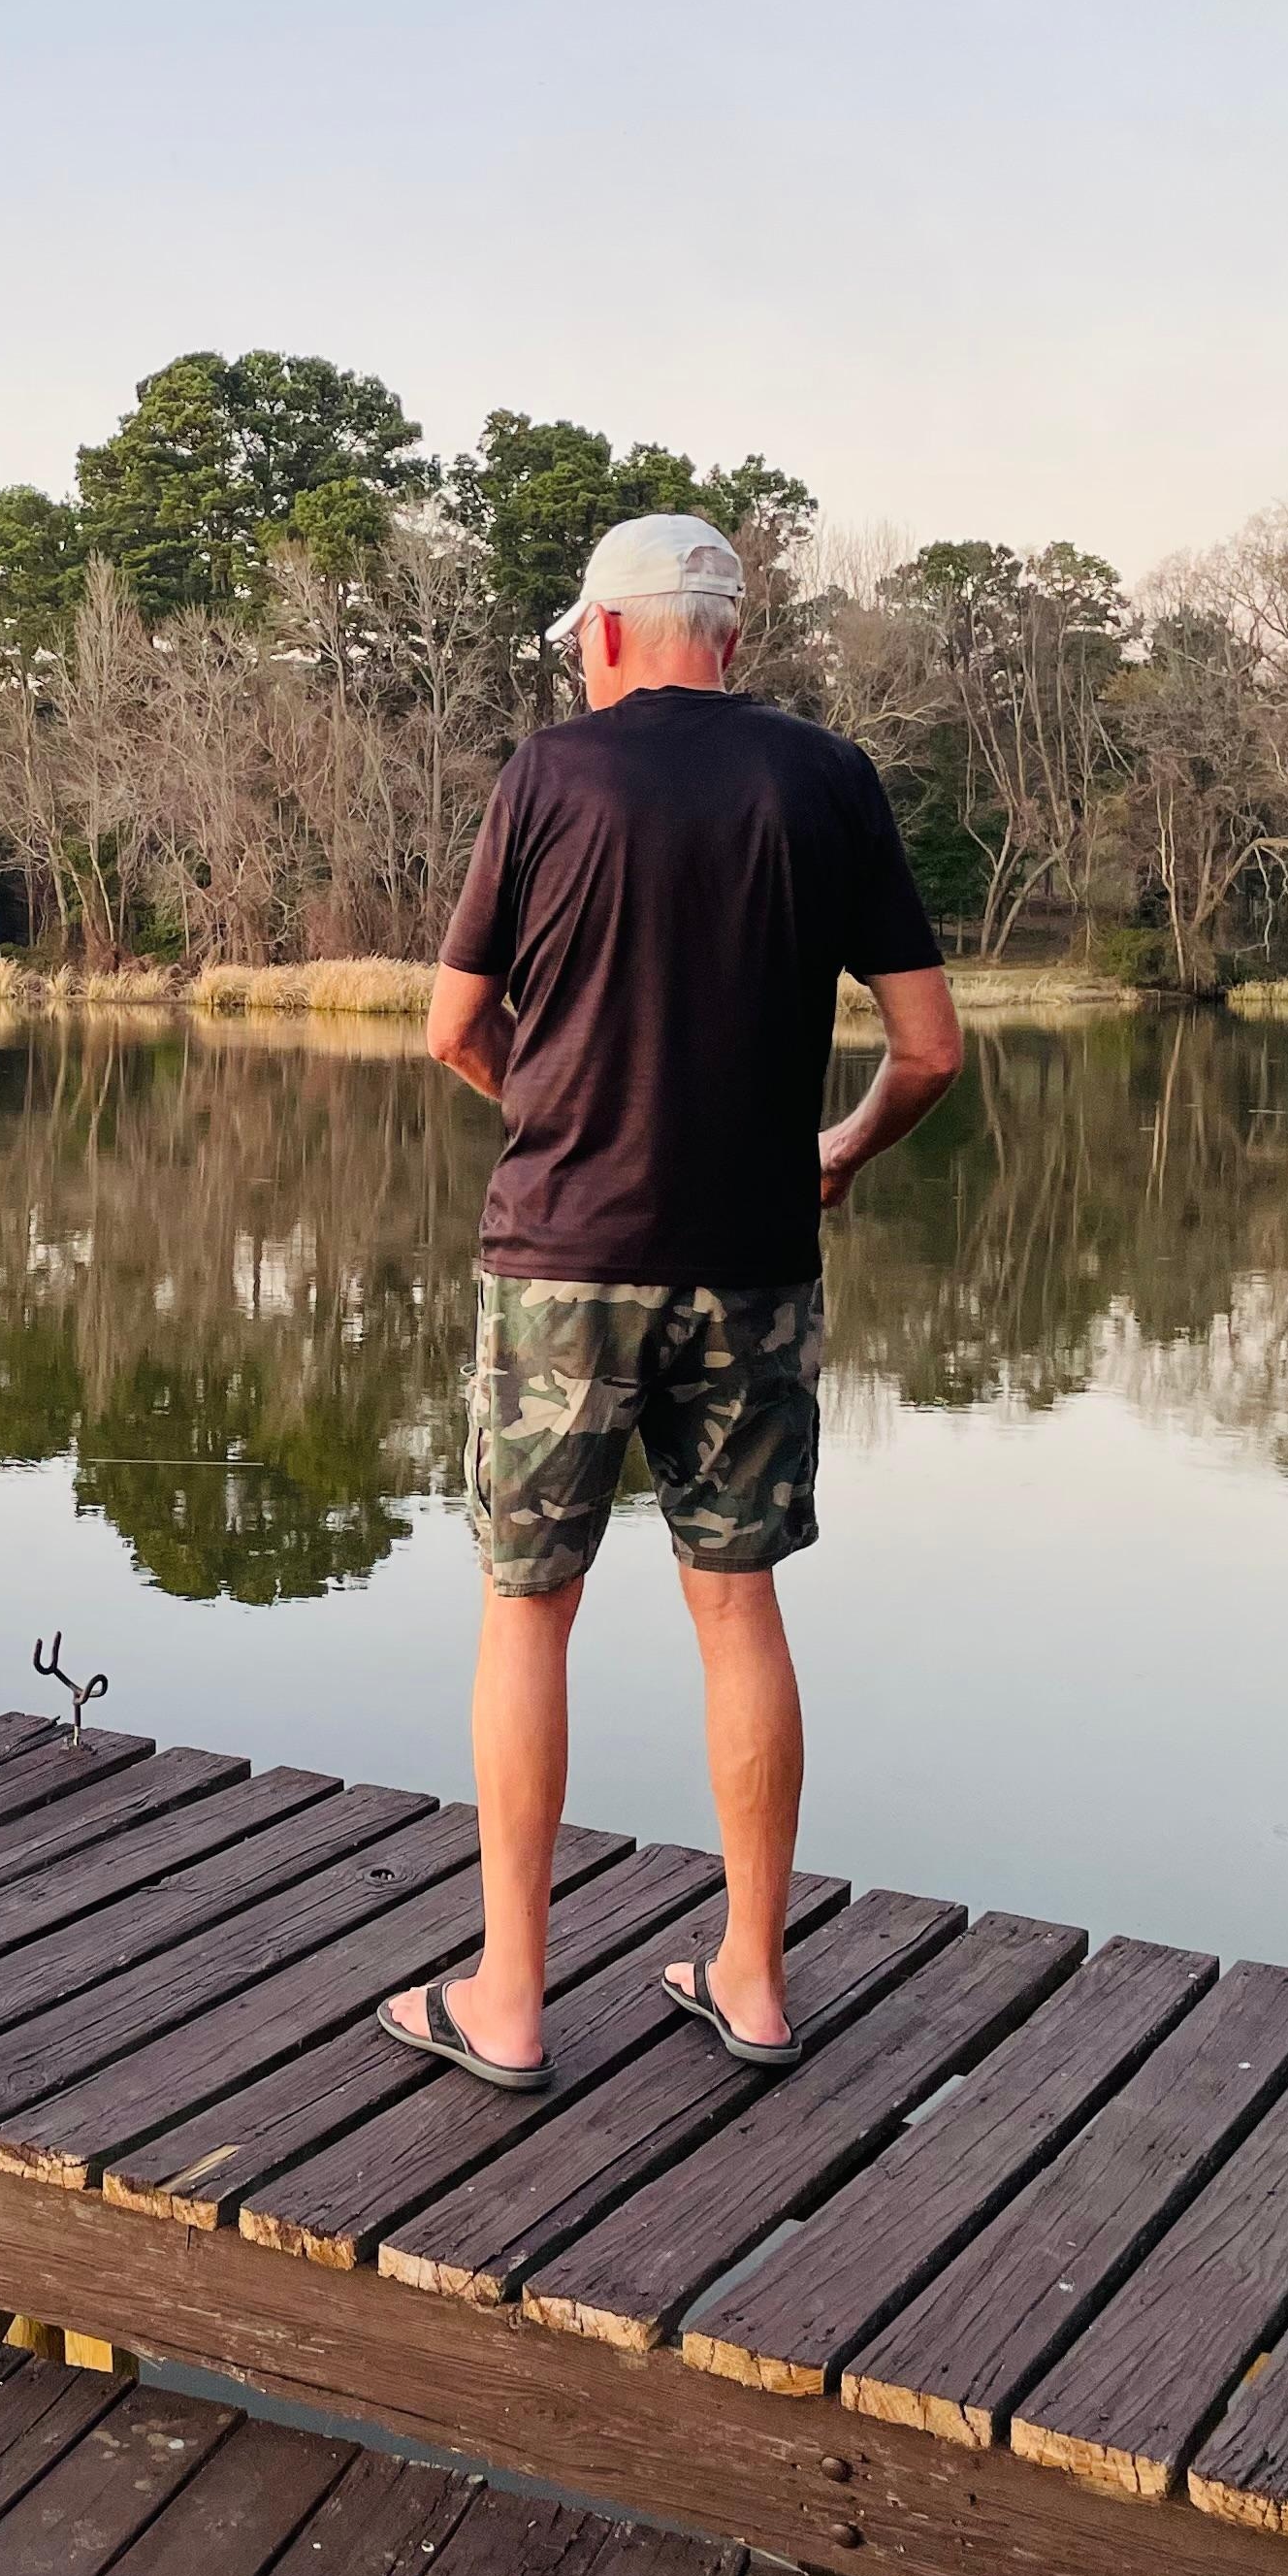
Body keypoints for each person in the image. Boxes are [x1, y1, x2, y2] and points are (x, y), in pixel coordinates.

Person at [379, 512, 960, 2088]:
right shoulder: (828, 780)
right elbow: (931, 1052)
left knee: (526, 1608)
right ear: (731, 636)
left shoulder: (551, 775)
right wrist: (832, 1155)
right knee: (739, 1604)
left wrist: (557, 1120)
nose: (581, 656)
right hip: (754, 1261)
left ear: (619, 637)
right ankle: (755, 1983)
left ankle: (508, 1999)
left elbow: (450, 1027)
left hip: (563, 1257)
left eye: (585, 636)